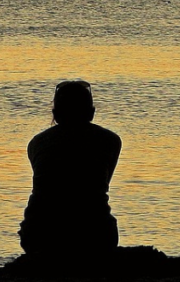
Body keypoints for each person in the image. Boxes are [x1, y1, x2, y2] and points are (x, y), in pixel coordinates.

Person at [18, 80, 122, 261]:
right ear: (91, 112)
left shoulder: (37, 143)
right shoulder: (110, 141)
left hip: (39, 235)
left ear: (55, 114)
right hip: (95, 235)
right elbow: (100, 184)